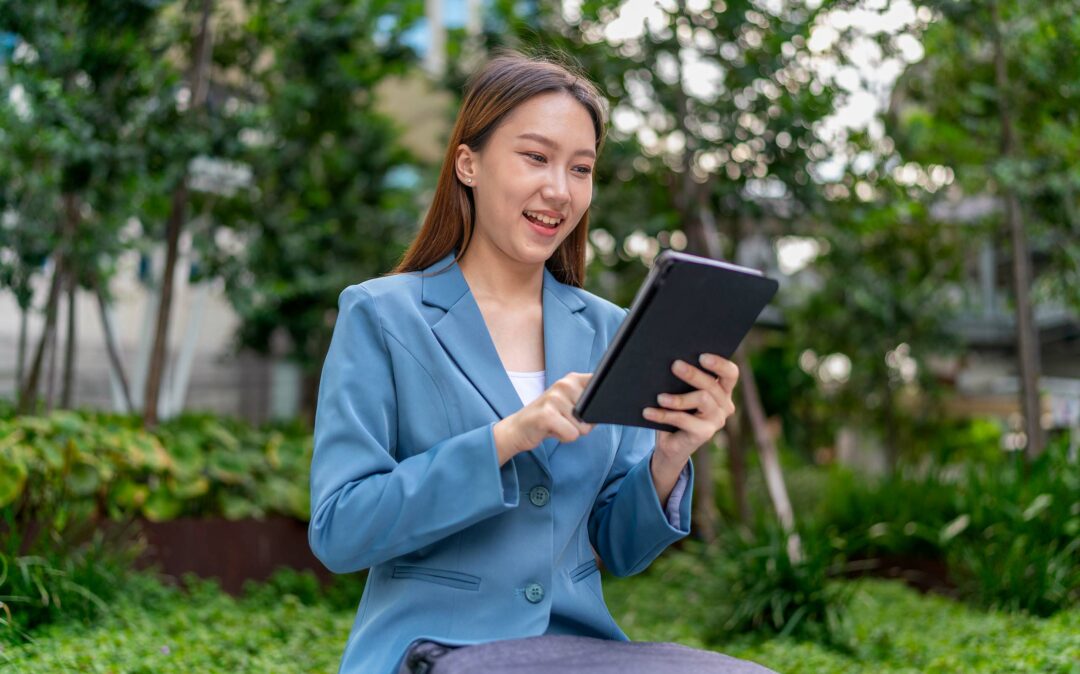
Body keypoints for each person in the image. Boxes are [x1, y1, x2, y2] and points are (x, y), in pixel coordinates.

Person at [308, 50, 768, 674]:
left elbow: (618, 547)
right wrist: (505, 438)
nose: (560, 189)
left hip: (576, 648)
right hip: (436, 647)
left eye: (581, 168)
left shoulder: (607, 328)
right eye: (536, 157)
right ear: (468, 164)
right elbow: (340, 531)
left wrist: (669, 457)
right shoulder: (384, 315)